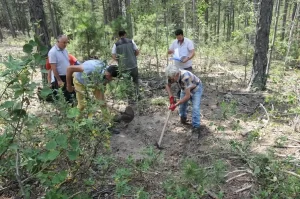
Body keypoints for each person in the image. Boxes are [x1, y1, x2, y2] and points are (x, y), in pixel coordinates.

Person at [165, 64, 203, 135]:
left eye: (172, 79)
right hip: (185, 88)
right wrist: (171, 97)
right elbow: (167, 85)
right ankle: (183, 118)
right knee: (182, 106)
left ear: (176, 75)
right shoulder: (171, 75)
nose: (171, 80)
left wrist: (175, 105)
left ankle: (196, 128)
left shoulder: (185, 77)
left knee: (195, 108)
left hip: (196, 88)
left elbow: (187, 96)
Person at [168, 29, 195, 98]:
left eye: (180, 37)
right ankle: (181, 94)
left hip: (187, 65)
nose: (179, 39)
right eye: (177, 38)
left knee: (188, 81)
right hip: (177, 66)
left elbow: (192, 52)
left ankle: (189, 95)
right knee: (179, 81)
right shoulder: (174, 42)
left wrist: (187, 58)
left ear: (182, 35)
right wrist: (171, 51)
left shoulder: (188, 42)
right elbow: (169, 51)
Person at [111, 30, 139, 97]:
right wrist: (133, 56)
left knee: (127, 82)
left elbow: (113, 55)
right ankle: (137, 95)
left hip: (124, 67)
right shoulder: (131, 41)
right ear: (125, 34)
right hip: (133, 65)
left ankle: (129, 97)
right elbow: (137, 51)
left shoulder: (116, 44)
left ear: (119, 36)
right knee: (136, 80)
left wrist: (119, 61)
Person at [48, 35, 75, 103]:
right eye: (64, 42)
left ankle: (73, 108)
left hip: (68, 75)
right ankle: (65, 110)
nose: (65, 44)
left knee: (71, 93)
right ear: (58, 41)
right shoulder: (53, 52)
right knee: (64, 95)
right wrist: (59, 80)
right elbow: (53, 67)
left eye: (66, 42)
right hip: (61, 77)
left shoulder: (65, 50)